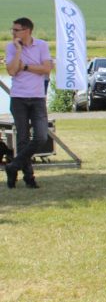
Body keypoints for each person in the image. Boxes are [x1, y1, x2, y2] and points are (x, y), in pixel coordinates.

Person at [5, 17, 53, 189]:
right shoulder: (11, 47)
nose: (13, 32)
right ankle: (29, 178)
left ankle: (13, 166)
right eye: (13, 30)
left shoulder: (41, 45)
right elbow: (11, 71)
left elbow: (47, 68)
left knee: (41, 136)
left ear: (27, 31)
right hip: (18, 98)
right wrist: (18, 50)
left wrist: (25, 67)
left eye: (16, 30)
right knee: (22, 140)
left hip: (37, 98)